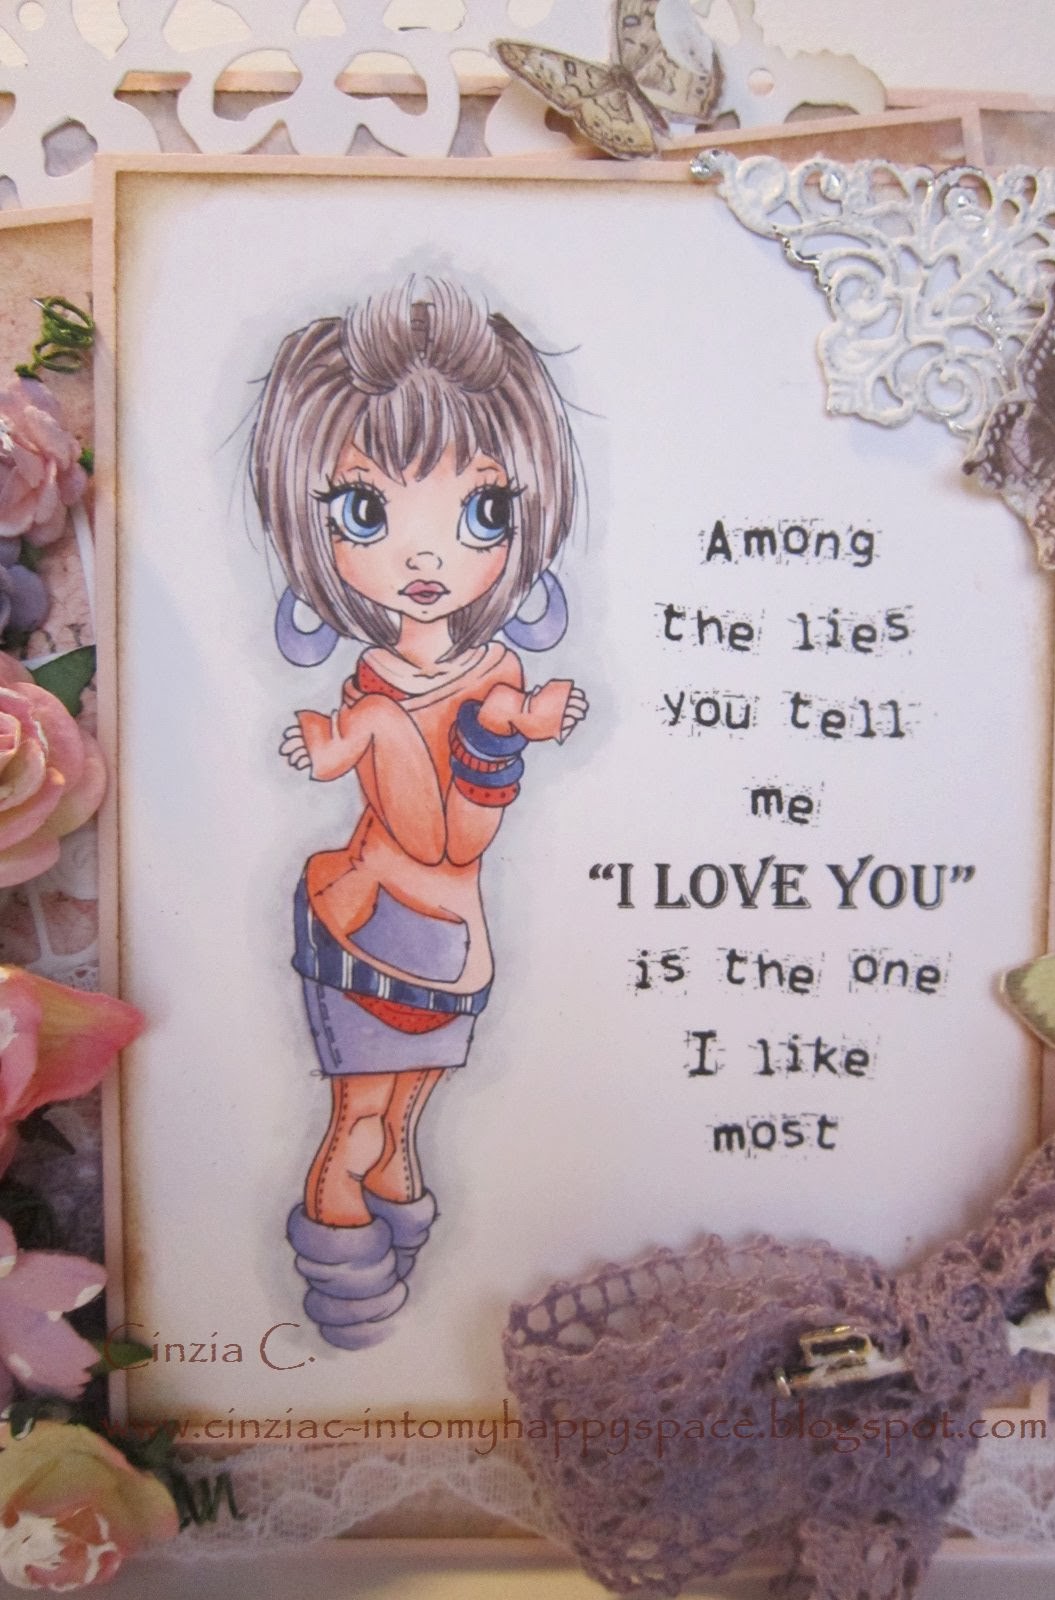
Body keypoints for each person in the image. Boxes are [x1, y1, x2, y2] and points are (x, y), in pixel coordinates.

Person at [250, 277, 587, 1348]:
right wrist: (354, 738)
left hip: (452, 939)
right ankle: (348, 1304)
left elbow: (467, 829)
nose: (426, 559)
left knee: (401, 1129)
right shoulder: (374, 688)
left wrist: (524, 719)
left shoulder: (493, 671)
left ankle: (397, 1291)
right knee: (358, 1125)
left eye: (482, 512)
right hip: (375, 922)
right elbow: (425, 831)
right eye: (369, 512)